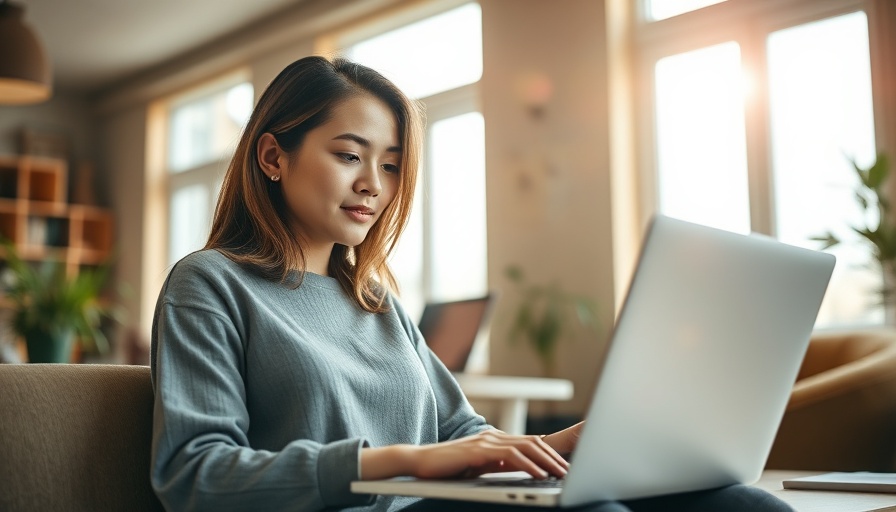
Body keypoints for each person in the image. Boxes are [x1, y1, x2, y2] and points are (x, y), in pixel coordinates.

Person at [150, 56, 793, 512]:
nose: (374, 183)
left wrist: (559, 444)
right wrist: (403, 461)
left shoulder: (377, 305)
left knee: (742, 504)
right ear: (272, 157)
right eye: (349, 155)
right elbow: (193, 477)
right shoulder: (210, 286)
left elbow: (460, 434)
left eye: (392, 164)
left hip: (434, 504)